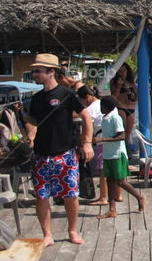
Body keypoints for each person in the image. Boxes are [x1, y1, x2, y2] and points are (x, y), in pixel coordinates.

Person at [24, 53, 93, 246]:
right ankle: (47, 234)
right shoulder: (36, 98)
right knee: (41, 196)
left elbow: (86, 117)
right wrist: (30, 132)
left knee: (71, 195)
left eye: (38, 71)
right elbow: (31, 120)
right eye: (34, 71)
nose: (34, 74)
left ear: (51, 72)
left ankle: (72, 230)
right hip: (41, 155)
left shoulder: (67, 94)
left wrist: (86, 143)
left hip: (66, 154)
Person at [92, 97, 145, 218]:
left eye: (102, 105)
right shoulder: (105, 118)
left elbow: (122, 136)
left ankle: (139, 197)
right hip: (108, 154)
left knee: (120, 181)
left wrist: (102, 139)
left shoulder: (115, 118)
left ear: (107, 106)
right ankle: (112, 209)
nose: (100, 108)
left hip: (117, 154)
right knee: (110, 180)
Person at [109, 63, 137, 155]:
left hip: (131, 108)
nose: (122, 73)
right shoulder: (114, 82)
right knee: (122, 131)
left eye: (124, 70)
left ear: (127, 71)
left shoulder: (131, 82)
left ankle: (127, 153)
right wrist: (119, 86)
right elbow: (114, 97)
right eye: (120, 71)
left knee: (128, 134)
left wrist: (132, 99)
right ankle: (121, 152)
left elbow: (137, 96)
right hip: (120, 108)